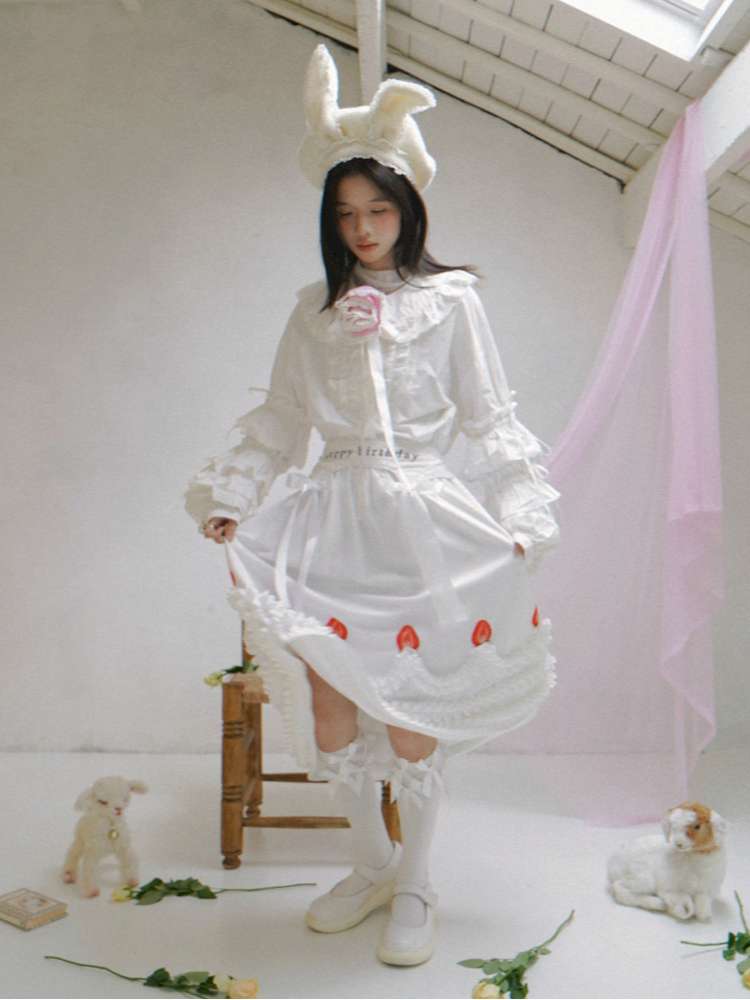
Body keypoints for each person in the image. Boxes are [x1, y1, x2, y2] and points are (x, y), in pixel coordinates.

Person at [185, 44, 560, 968]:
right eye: (346, 214)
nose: (362, 229)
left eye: (378, 211)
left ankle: (418, 880)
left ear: (408, 209)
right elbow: (281, 416)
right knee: (332, 709)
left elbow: (490, 416)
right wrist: (235, 493)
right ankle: (372, 865)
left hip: (423, 524)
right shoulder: (312, 311)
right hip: (331, 525)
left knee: (413, 709)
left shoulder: (452, 303)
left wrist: (521, 510)